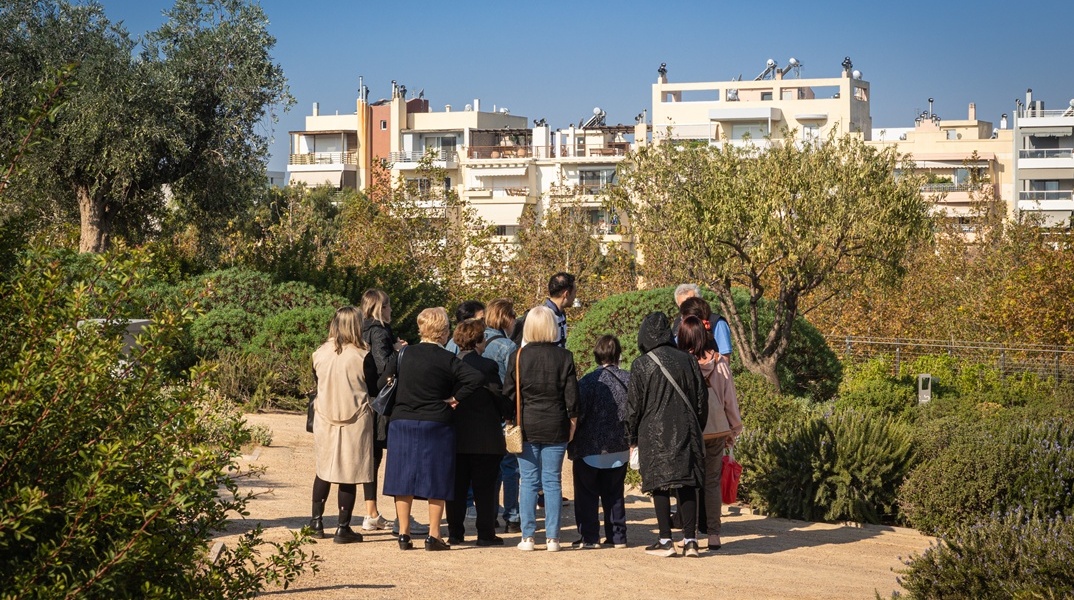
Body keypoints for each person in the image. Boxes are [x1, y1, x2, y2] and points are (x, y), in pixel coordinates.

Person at [380, 307, 484, 551]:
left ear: (421, 328)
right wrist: (455, 398)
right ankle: (434, 535)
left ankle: (404, 533)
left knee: (402, 478)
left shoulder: (404, 354)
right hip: (437, 421)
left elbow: (381, 381)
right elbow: (475, 379)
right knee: (437, 477)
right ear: (445, 331)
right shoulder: (447, 358)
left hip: (402, 420)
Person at [626, 311, 707, 558]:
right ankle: (691, 541)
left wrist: (632, 438)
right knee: (687, 483)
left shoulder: (641, 364)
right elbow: (702, 400)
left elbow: (634, 407)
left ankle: (665, 540)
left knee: (659, 485)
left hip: (653, 432)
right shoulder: (688, 360)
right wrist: (697, 428)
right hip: (687, 428)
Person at [503, 305, 579, 552]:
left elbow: (508, 395)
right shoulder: (564, 357)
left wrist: (509, 421)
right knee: (552, 481)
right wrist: (573, 424)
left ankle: (527, 537)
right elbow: (572, 398)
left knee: (528, 481)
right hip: (556, 423)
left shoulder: (518, 356)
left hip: (526, 424)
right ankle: (553, 538)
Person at [309, 306, 379, 544]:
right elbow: (373, 388)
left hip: (325, 416)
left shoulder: (320, 353)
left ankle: (316, 522)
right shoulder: (363, 356)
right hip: (355, 418)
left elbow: (317, 381)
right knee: (349, 473)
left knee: (323, 470)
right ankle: (342, 527)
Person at [677, 316, 743, 551]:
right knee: (712, 482)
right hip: (716, 429)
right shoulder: (720, 363)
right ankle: (714, 535)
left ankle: (691, 534)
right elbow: (729, 400)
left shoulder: (682, 363)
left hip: (690, 431)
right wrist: (733, 429)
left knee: (690, 483)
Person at [446, 319, 511, 546]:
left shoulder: (449, 365)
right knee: (485, 487)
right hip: (485, 434)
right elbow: (498, 395)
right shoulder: (487, 366)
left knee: (456, 487)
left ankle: (455, 532)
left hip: (456, 433)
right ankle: (485, 533)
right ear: (479, 340)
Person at [569, 335, 630, 550]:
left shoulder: (587, 382)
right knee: (614, 494)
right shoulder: (629, 379)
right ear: (618, 354)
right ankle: (618, 536)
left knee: (587, 494)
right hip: (620, 447)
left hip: (589, 448)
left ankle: (589, 536)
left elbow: (579, 414)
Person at [358, 288, 403, 532]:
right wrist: (397, 352)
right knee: (375, 457)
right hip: (379, 401)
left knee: (372, 457)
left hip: (368, 397)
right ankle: (371, 512)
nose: (391, 310)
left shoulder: (362, 328)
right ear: (379, 308)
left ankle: (371, 511)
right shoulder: (378, 331)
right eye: (387, 306)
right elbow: (383, 365)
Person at [483, 298, 522, 533]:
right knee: (510, 467)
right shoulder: (508, 347)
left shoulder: (475, 340)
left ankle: (490, 512)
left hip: (481, 414)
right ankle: (512, 515)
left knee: (489, 467)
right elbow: (513, 384)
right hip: (504, 413)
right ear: (506, 317)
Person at [512, 272, 576, 348]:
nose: (575, 296)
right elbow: (533, 351)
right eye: (575, 292)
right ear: (566, 294)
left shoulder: (561, 314)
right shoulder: (541, 317)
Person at [673, 283, 732, 359]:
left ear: (700, 300)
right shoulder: (678, 323)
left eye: (691, 301)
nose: (688, 306)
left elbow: (725, 356)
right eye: (683, 304)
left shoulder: (717, 322)